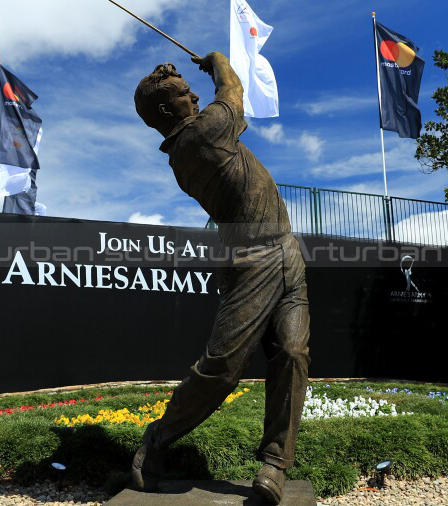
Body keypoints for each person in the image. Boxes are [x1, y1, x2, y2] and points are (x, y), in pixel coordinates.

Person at [132, 51, 310, 505]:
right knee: (222, 369)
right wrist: (217, 61)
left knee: (292, 352)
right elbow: (233, 91)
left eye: (190, 89)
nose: (192, 94)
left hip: (287, 250)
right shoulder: (200, 136)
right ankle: (156, 440)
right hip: (252, 260)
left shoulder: (199, 135)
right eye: (181, 94)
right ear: (168, 112)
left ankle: (275, 465)